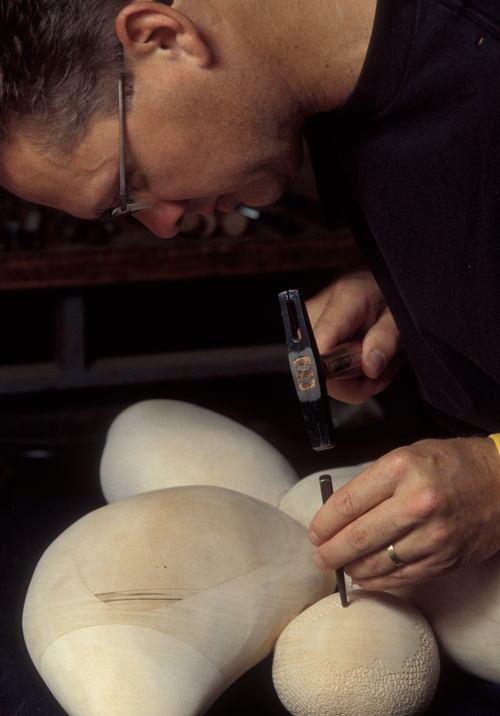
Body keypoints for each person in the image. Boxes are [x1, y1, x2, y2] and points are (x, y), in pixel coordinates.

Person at [0, 0, 499, 591]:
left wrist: (495, 478)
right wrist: (409, 285)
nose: (163, 226)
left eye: (128, 188)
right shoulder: (320, 100)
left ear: (162, 37)